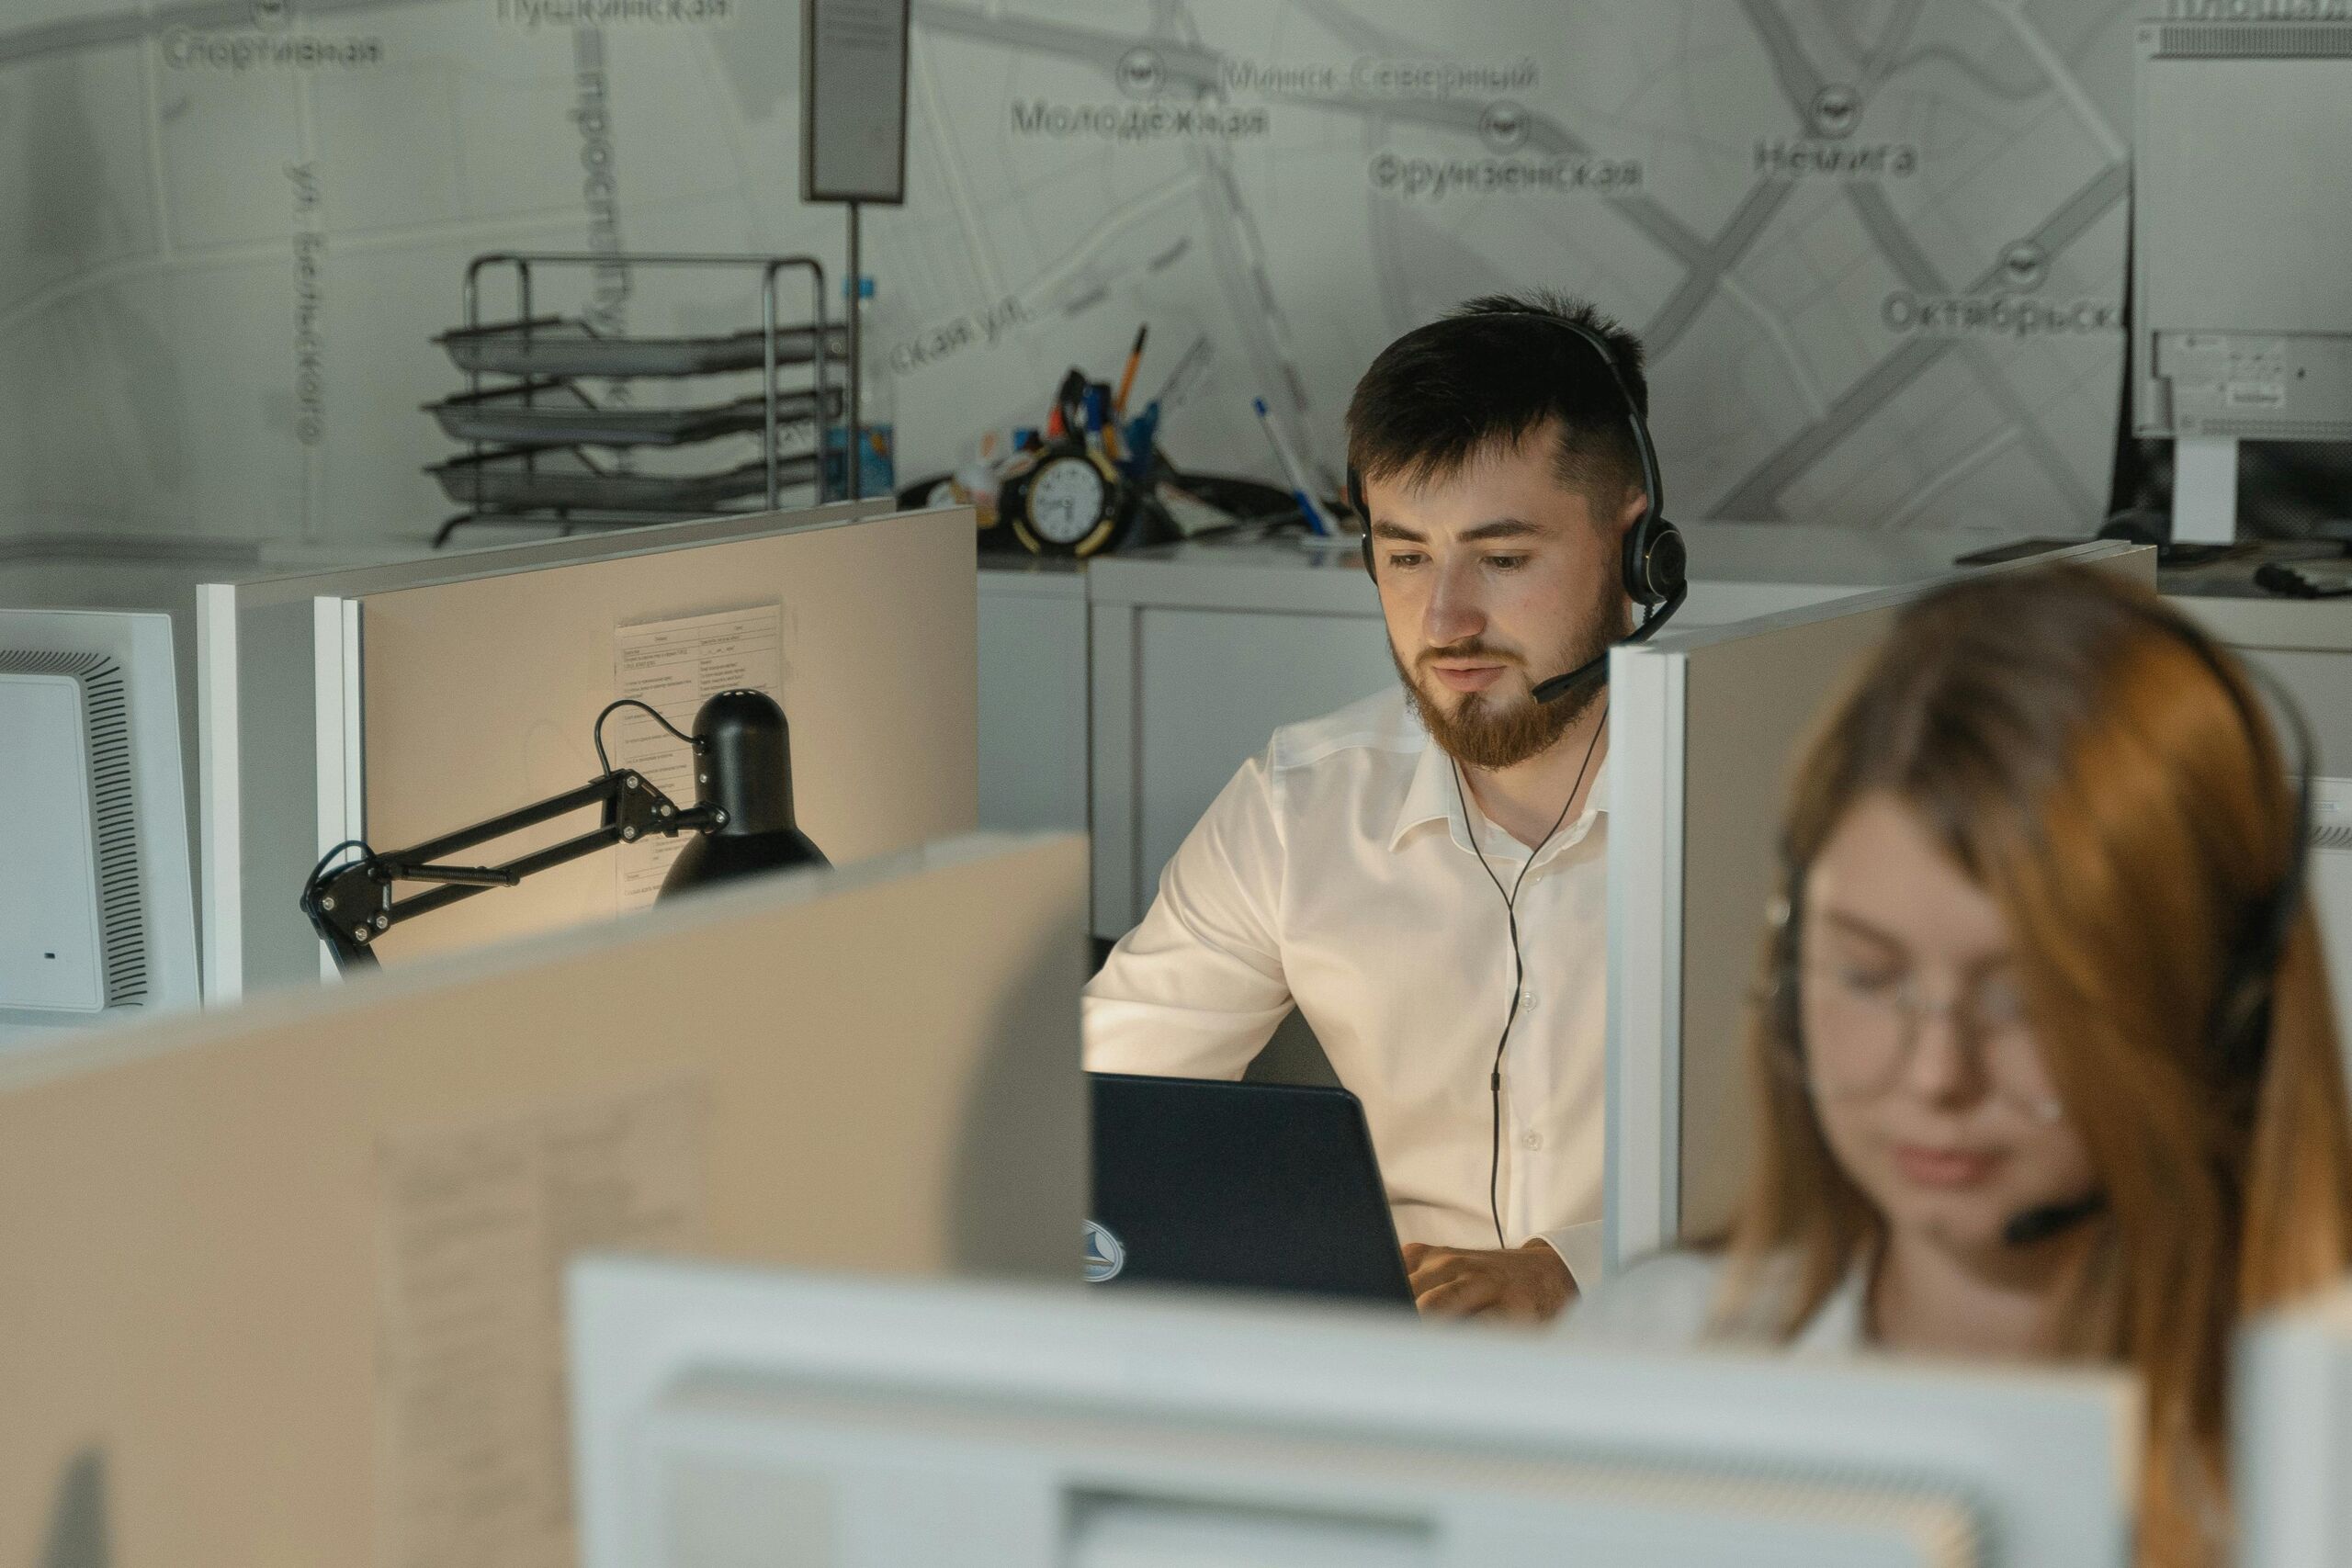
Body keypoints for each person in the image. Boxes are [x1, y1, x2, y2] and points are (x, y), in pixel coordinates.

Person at [1567, 565, 2352, 1566]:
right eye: (1865, 974)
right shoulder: (1653, 1359)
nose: (1937, 1075)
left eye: (2023, 997)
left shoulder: (2300, 1458)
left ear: (2217, 1009)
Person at [1084, 292, 1675, 1320]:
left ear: (1632, 553)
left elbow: (1879, 1174)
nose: (1444, 621)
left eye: (1501, 559)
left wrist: (1576, 1269)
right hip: (1387, 1376)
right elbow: (1099, 1114)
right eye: (1405, 558)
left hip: (1697, 1377)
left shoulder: (1770, 802)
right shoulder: (1298, 807)